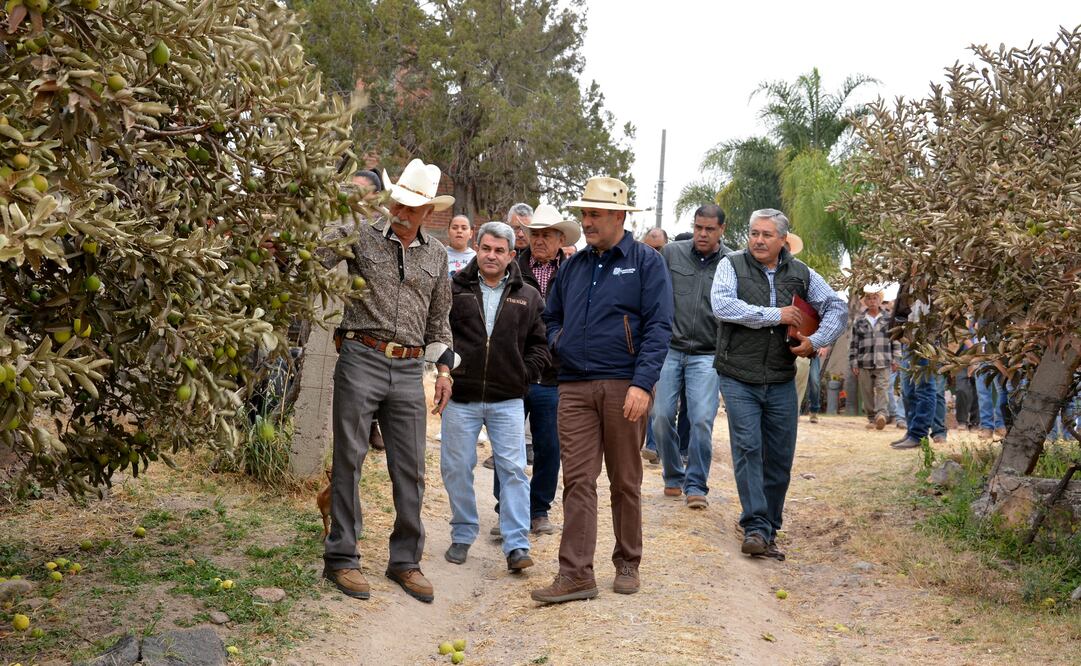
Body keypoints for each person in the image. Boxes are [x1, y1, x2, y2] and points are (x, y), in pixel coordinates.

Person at [319, 158, 457, 604]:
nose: (401, 212)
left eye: (412, 208)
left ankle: (404, 561)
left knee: (410, 468)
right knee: (350, 458)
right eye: (398, 203)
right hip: (361, 355)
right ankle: (342, 557)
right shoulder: (359, 234)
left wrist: (444, 369)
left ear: (427, 212)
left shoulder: (437, 256)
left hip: (409, 367)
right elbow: (316, 255)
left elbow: (440, 322)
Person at [531, 176, 673, 604]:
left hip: (624, 386)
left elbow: (659, 327)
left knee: (625, 480)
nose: (586, 222)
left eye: (593, 214)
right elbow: (550, 318)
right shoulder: (573, 267)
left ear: (618, 216)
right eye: (583, 213)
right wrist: (560, 343)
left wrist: (643, 383)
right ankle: (575, 574)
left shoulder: (647, 263)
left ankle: (628, 561)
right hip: (573, 387)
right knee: (577, 480)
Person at [711, 209, 847, 559]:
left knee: (780, 456)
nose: (758, 240)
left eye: (766, 235)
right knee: (748, 448)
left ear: (783, 240)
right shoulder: (731, 265)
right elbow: (723, 306)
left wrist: (816, 340)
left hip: (782, 377)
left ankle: (768, 528)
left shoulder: (802, 274)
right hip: (739, 375)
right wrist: (777, 315)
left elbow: (836, 306)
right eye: (754, 233)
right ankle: (755, 525)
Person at [440, 222, 549, 571]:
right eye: (486, 248)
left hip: (507, 400)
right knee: (456, 467)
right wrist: (446, 371)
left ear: (511, 255)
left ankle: (516, 545)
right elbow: (439, 332)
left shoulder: (528, 295)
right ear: (477, 246)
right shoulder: (454, 288)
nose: (491, 255)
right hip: (461, 396)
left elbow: (540, 345)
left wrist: (523, 374)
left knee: (514, 470)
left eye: (499, 250)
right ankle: (462, 532)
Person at [490, 204, 580, 537]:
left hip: (556, 374)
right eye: (535, 234)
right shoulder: (511, 267)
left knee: (549, 446)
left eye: (547, 235)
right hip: (514, 370)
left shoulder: (574, 271)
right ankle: (506, 509)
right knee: (507, 443)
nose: (539, 240)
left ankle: (539, 510)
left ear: (560, 238)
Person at [652, 204, 730, 508]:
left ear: (721, 230)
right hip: (670, 350)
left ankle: (696, 484)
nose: (702, 234)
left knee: (700, 421)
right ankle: (673, 475)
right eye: (698, 227)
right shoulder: (671, 253)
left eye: (710, 229)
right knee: (660, 418)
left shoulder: (732, 262)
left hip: (707, 355)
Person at [849, 286, 899, 430]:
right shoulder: (859, 320)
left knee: (883, 388)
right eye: (869, 298)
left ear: (880, 300)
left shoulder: (889, 318)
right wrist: (854, 362)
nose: (872, 301)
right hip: (864, 361)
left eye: (875, 298)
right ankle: (871, 418)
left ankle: (882, 415)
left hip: (884, 361)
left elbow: (895, 339)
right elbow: (854, 344)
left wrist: (896, 359)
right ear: (865, 301)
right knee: (867, 391)